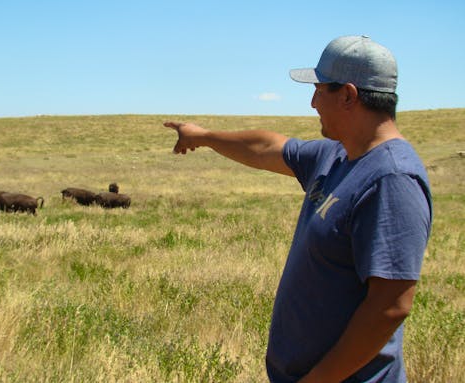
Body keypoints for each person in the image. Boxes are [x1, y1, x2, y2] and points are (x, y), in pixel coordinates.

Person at [164, 35, 432, 382]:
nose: (312, 102)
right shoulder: (336, 155)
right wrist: (201, 135)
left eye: (320, 90)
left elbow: (390, 307)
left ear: (348, 95)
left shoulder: (391, 178)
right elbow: (266, 146)